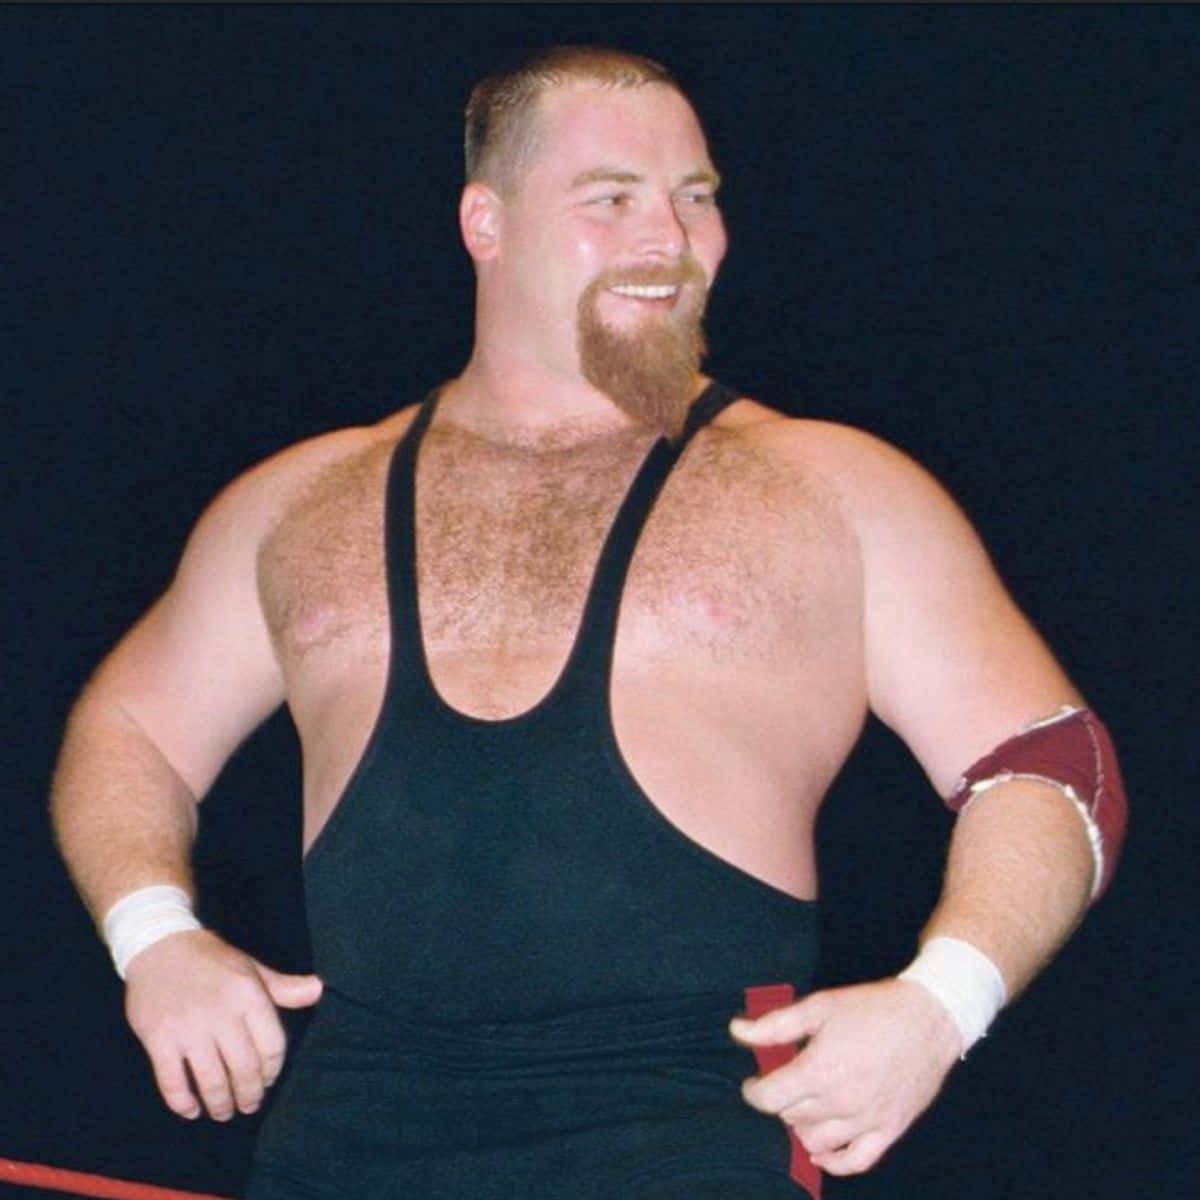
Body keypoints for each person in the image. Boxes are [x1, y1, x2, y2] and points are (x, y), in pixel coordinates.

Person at [51, 46, 1126, 1199]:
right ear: (485, 222)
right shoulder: (303, 503)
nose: (670, 237)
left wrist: (940, 1004)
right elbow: (130, 731)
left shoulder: (828, 488)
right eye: (611, 199)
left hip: (689, 1138)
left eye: (695, 196)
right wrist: (154, 935)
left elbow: (1055, 764)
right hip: (342, 1143)